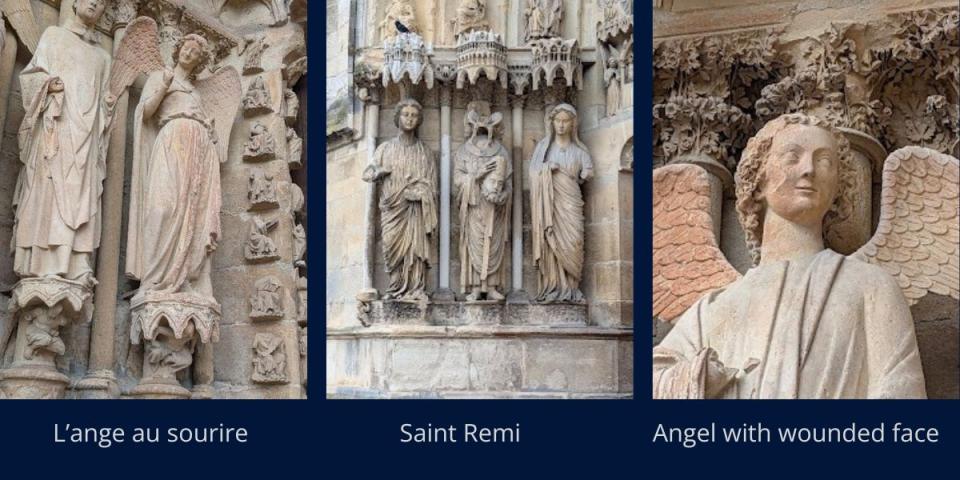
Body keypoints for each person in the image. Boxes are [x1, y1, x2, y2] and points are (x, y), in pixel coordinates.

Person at [653, 113, 927, 399]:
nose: (809, 170)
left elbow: (901, 396)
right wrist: (697, 377)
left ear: (838, 188)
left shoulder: (871, 287)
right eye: (792, 157)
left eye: (824, 161)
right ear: (758, 180)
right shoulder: (712, 308)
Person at [13, 0, 113, 285]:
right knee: (49, 192)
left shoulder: (102, 57)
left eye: (103, 2)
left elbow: (104, 101)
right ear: (75, 3)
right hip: (56, 128)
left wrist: (107, 107)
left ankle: (77, 262)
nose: (95, 3)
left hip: (87, 138)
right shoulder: (53, 37)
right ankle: (42, 263)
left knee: (82, 196)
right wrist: (48, 85)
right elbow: (32, 76)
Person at [126, 34, 221, 297]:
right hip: (170, 143)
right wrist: (164, 86)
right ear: (178, 49)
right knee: (163, 207)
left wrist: (209, 130)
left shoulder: (196, 93)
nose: (189, 54)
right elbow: (145, 112)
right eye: (186, 48)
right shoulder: (161, 76)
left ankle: (185, 276)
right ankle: (154, 279)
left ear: (200, 62)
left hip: (197, 151)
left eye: (195, 53)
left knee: (193, 211)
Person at [363, 99, 438, 302]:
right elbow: (367, 173)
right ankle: (396, 287)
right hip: (392, 209)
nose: (410, 119)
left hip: (415, 212)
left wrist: (421, 193)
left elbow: (432, 185)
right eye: (406, 114)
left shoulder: (425, 152)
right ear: (398, 118)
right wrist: (378, 172)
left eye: (414, 115)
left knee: (414, 251)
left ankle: (415, 288)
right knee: (390, 247)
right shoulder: (385, 149)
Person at [529, 103, 593, 303]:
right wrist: (547, 168)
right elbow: (533, 173)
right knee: (552, 241)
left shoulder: (580, 151)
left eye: (566, 121)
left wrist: (586, 173)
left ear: (573, 124)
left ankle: (572, 288)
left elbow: (589, 171)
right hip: (551, 205)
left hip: (571, 202)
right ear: (552, 123)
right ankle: (554, 286)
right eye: (558, 121)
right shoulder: (544, 149)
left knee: (574, 242)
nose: (562, 125)